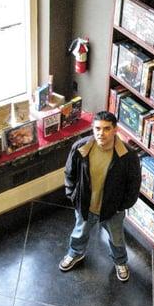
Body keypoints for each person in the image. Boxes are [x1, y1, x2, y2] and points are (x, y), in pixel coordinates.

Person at [59, 111, 141, 281]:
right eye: (97, 128)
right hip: (86, 205)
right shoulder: (81, 148)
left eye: (106, 129)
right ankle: (75, 253)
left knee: (117, 238)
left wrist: (122, 206)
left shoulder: (128, 155)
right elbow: (69, 172)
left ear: (115, 130)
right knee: (79, 233)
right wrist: (73, 195)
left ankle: (120, 261)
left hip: (112, 209)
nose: (100, 133)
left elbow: (134, 184)